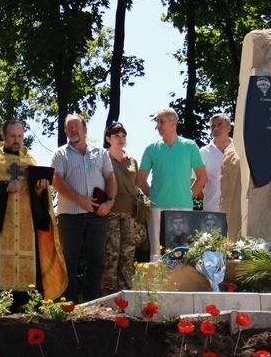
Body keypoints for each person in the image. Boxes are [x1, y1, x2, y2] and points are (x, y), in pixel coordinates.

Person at [0, 120, 67, 303]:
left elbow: (41, 204)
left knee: (29, 284)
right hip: (0, 229)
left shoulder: (29, 161)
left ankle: (27, 303)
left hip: (26, 230)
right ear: (4, 135)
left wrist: (39, 190)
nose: (16, 140)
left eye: (20, 136)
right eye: (12, 136)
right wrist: (3, 188)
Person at [51, 114, 116, 303]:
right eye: (68, 127)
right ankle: (68, 304)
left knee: (96, 261)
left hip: (97, 215)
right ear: (65, 131)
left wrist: (110, 202)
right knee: (69, 261)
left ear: (85, 130)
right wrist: (80, 200)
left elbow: (110, 178)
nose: (72, 130)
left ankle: (92, 304)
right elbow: (57, 181)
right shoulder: (60, 154)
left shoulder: (101, 153)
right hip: (69, 216)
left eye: (76, 126)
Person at [137, 107, 206, 261]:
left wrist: (190, 194)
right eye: (157, 122)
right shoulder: (151, 148)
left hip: (183, 205)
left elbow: (202, 176)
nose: (158, 126)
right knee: (156, 251)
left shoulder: (190, 146)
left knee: (183, 250)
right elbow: (141, 178)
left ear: (173, 123)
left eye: (161, 122)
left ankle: (181, 284)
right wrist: (152, 196)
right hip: (157, 206)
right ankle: (156, 284)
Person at [100, 122, 148, 295]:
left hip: (130, 214)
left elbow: (136, 187)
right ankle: (108, 294)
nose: (120, 139)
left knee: (127, 255)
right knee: (111, 254)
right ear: (108, 139)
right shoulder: (102, 158)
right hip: (110, 212)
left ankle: (125, 294)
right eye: (115, 136)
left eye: (123, 136)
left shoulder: (132, 160)